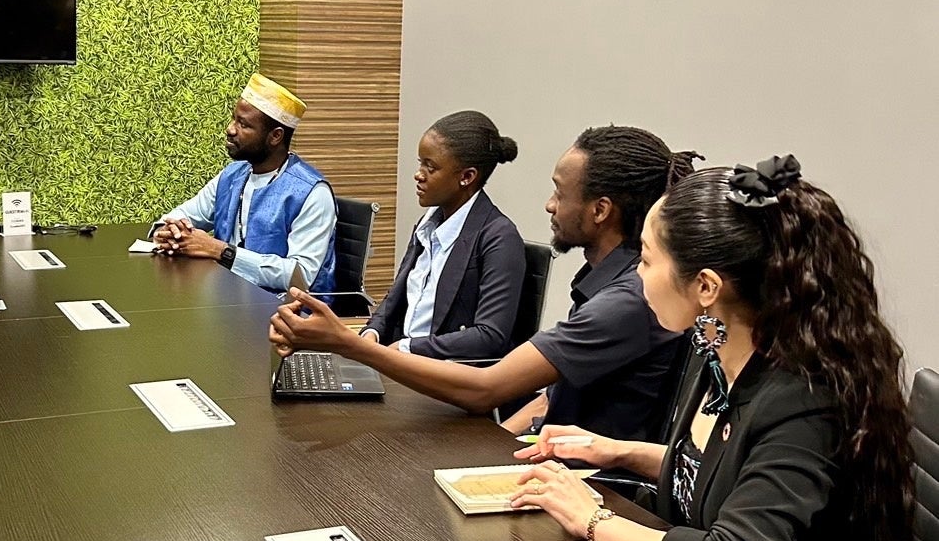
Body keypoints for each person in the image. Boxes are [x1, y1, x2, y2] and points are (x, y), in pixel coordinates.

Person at [511, 156, 912, 541]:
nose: (637, 275)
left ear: (706, 286)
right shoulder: (715, 349)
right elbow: (720, 471)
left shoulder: (803, 400)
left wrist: (591, 519)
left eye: (646, 260)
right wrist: (620, 451)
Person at [271, 125, 692, 441]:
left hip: (590, 487)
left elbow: (486, 389)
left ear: (600, 210)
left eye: (560, 193)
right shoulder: (606, 283)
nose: (549, 205)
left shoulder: (626, 301)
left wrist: (350, 344)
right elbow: (553, 395)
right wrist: (500, 445)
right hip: (550, 458)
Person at [362, 110, 526, 359]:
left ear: (467, 177)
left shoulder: (499, 237)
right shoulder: (427, 224)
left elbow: (489, 335)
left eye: (430, 167)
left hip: (443, 370)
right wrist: (372, 332)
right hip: (401, 359)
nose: (418, 174)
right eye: (420, 163)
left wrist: (407, 348)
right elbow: (396, 297)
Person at [154, 73, 338, 292]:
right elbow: (182, 215)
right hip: (229, 298)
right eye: (234, 119)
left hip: (285, 308)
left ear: (275, 136)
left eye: (243, 124)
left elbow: (300, 276)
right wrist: (169, 232)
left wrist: (221, 251)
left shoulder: (312, 192)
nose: (230, 129)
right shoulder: (234, 175)